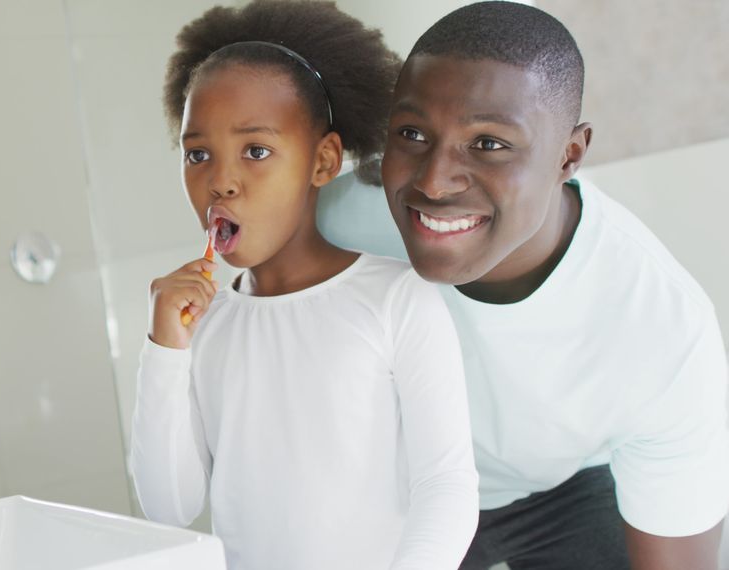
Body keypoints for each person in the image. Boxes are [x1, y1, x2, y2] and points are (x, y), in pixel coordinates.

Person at [318, 2, 729, 568]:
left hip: (555, 495)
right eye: (412, 133)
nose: (434, 183)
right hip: (396, 492)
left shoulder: (664, 332)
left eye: (488, 143)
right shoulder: (337, 222)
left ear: (569, 155)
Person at [129, 2, 479, 569]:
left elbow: (447, 486)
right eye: (198, 154)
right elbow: (169, 507)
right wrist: (163, 350)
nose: (221, 181)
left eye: (256, 151)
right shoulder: (204, 324)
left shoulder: (395, 298)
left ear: (323, 161)